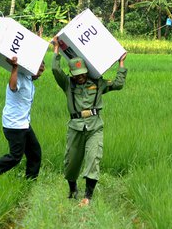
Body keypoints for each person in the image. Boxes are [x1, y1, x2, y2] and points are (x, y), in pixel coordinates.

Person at [51, 36, 127, 206]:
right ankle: (72, 189)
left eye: (82, 74)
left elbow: (118, 84)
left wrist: (121, 63)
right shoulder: (68, 84)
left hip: (94, 126)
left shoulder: (97, 83)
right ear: (72, 74)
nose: (80, 77)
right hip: (75, 127)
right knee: (71, 161)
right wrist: (56, 48)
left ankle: (88, 196)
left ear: (86, 70)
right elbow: (56, 70)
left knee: (94, 158)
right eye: (77, 75)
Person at [0, 57, 45, 180]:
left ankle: (30, 180)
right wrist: (14, 68)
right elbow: (13, 87)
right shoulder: (20, 77)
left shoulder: (29, 80)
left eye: (42, 70)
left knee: (35, 152)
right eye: (39, 69)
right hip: (14, 125)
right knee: (15, 157)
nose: (41, 72)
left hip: (24, 124)